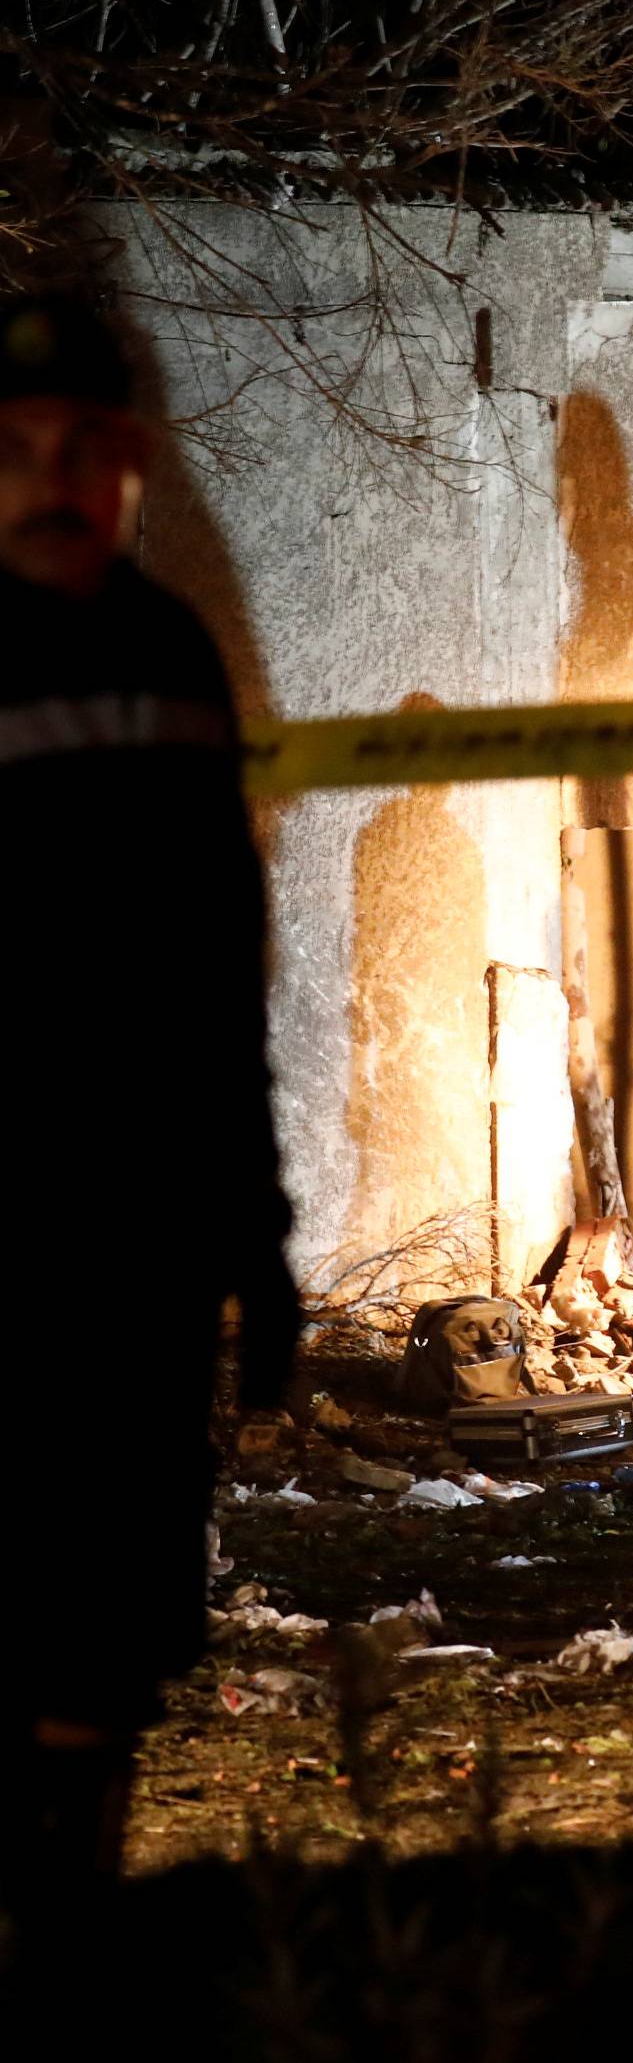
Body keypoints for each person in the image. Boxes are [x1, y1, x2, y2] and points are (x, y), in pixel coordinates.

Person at [0, 295, 297, 1908]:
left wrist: (258, 1237)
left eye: (90, 450)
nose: (59, 480)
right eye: (23, 450)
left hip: (142, 1239)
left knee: (108, 1623)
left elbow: (218, 981)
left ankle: (68, 1945)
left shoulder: (173, 651)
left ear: (130, 470)